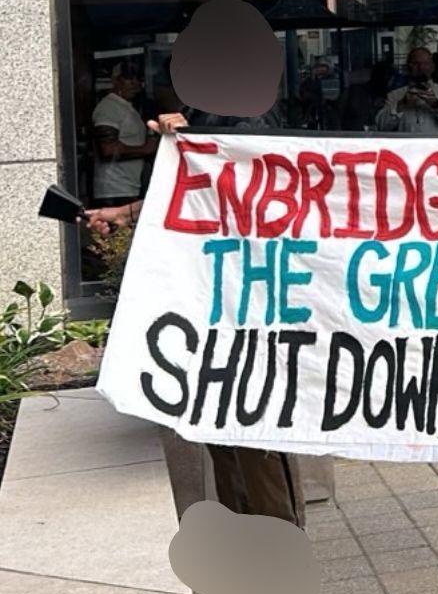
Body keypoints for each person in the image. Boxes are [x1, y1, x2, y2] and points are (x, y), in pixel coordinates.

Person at [92, 121, 306, 529]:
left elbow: (230, 173)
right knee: (218, 425)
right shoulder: (209, 126)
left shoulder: (247, 125)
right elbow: (195, 186)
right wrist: (125, 212)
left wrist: (195, 137)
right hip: (212, 310)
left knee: (256, 431)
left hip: (257, 312)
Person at [90, 61, 159, 207]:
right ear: (115, 80)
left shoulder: (127, 107)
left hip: (127, 188)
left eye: (138, 78)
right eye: (129, 77)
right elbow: (108, 150)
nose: (135, 83)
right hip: (115, 192)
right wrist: (146, 149)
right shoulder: (108, 107)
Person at [375, 47, 438, 132]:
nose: (421, 68)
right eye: (416, 63)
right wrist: (401, 105)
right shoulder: (395, 95)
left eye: (426, 63)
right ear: (408, 67)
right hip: (406, 145)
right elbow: (381, 126)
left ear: (433, 67)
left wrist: (437, 106)